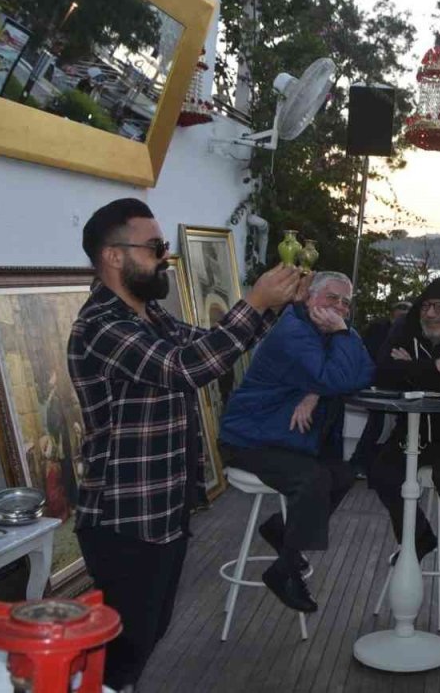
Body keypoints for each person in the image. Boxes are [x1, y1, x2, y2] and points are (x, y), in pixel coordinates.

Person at [68, 198, 303, 691]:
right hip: (123, 516)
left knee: (145, 637)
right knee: (124, 650)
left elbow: (208, 345)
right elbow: (185, 370)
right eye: (155, 247)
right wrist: (255, 303)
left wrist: (272, 307)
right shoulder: (102, 326)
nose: (166, 256)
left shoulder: (150, 316)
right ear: (114, 256)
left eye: (166, 247)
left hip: (161, 510)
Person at [218, 271, 372, 613]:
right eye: (332, 298)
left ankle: (282, 530)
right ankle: (284, 571)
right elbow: (336, 377)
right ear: (309, 298)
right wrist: (325, 381)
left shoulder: (329, 331)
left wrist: (316, 390)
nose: (339, 308)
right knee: (313, 479)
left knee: (344, 474)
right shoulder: (293, 332)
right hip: (250, 438)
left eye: (346, 303)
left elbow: (364, 374)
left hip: (286, 439)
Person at [371, 278, 440, 573]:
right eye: (427, 305)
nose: (430, 314)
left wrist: (410, 370)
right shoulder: (405, 328)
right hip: (412, 428)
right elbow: (382, 373)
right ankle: (419, 537)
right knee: (382, 474)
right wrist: (436, 368)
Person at [351, 300, 413, 480]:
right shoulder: (379, 328)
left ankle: (371, 465)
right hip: (375, 383)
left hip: (394, 386)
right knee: (379, 422)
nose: (403, 313)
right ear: (392, 312)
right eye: (400, 309)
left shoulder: (407, 333)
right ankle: (363, 463)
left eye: (406, 311)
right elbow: (368, 356)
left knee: (388, 424)